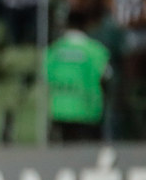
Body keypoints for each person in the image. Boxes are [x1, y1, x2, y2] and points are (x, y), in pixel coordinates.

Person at [45, 13, 111, 141]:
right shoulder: (96, 50)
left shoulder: (52, 50)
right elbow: (106, 76)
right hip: (88, 111)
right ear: (87, 26)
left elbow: (44, 76)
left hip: (59, 110)